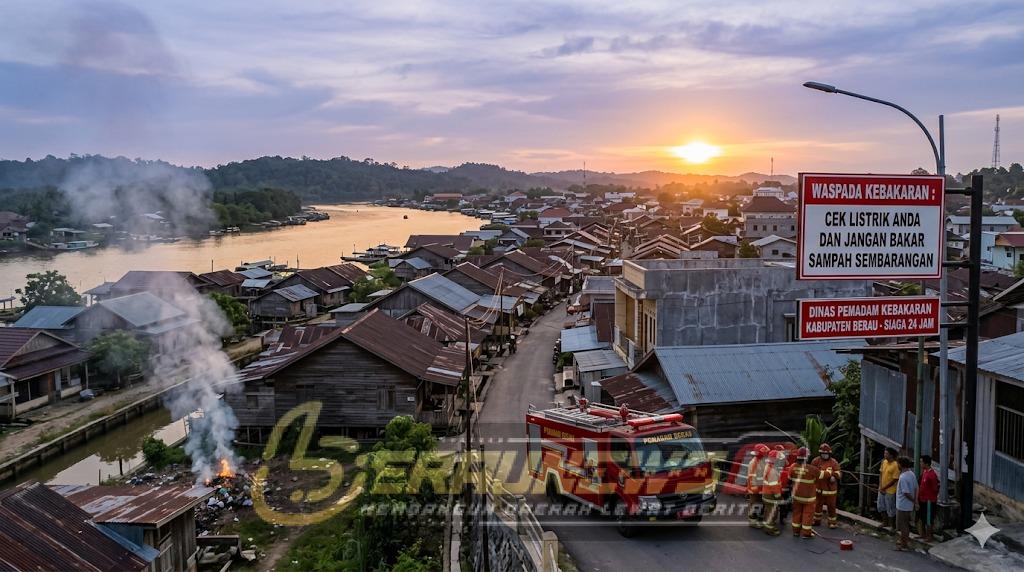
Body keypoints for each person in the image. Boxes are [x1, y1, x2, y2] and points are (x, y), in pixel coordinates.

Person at [786, 447, 818, 539]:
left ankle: (796, 532)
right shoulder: (812, 469)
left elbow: (789, 480)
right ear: (807, 457)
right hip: (808, 498)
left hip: (796, 496)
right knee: (807, 515)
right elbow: (821, 476)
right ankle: (806, 533)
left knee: (796, 513)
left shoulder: (792, 467)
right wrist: (829, 471)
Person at [812, 443, 841, 528]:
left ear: (829, 454)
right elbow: (812, 472)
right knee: (817, 506)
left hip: (830, 490)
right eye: (823, 454)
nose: (825, 455)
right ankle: (816, 520)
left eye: (826, 454)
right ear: (820, 453)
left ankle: (832, 523)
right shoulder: (815, 461)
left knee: (831, 506)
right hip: (819, 489)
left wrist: (834, 476)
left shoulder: (834, 462)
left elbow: (839, 472)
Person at [760, 449, 786, 536]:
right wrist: (779, 497)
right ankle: (770, 530)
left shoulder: (768, 466)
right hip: (771, 495)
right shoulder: (773, 471)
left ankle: (766, 526)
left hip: (766, 493)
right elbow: (774, 486)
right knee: (772, 513)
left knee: (767, 511)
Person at [895, 456, 918, 550]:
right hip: (908, 505)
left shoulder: (903, 477)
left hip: (903, 505)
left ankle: (904, 545)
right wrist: (915, 501)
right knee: (905, 524)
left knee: (903, 525)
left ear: (900, 464)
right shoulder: (911, 474)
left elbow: (906, 492)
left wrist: (914, 501)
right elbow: (916, 488)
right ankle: (903, 541)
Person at [746, 443, 769, 528]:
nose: (766, 455)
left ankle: (759, 519)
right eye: (765, 453)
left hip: (760, 487)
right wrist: (757, 489)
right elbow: (753, 478)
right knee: (755, 504)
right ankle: (753, 522)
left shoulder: (762, 461)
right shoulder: (754, 463)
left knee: (760, 504)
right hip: (755, 488)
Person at [878, 447, 900, 532]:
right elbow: (880, 474)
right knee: (881, 506)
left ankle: (892, 526)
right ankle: (885, 522)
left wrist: (884, 487)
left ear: (891, 455)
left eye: (886, 453)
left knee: (890, 508)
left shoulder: (895, 465)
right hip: (881, 489)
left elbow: (895, 479)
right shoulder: (884, 462)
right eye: (884, 453)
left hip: (890, 490)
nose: (885, 455)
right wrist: (880, 486)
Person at [918, 455, 939, 542]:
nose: (920, 463)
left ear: (926, 463)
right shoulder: (925, 472)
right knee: (923, 518)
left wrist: (930, 497)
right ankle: (923, 534)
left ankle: (929, 536)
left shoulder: (932, 474)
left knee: (929, 519)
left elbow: (935, 489)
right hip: (922, 499)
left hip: (929, 500)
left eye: (921, 462)